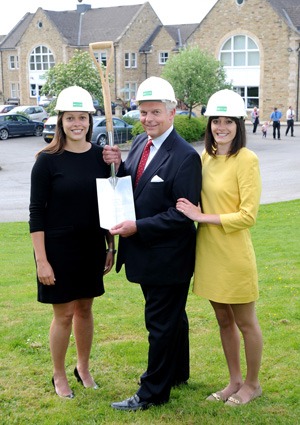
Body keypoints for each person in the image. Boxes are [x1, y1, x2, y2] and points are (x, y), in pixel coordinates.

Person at [103, 76, 202, 411]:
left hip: (168, 258)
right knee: (174, 317)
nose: (148, 119)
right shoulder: (141, 145)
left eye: (155, 112)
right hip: (148, 256)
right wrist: (118, 165)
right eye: (143, 112)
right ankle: (177, 372)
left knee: (159, 324)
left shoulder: (185, 156)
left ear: (172, 113)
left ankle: (152, 393)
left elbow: (182, 215)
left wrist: (137, 227)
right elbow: (136, 186)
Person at [176, 89, 263, 407]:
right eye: (216, 121)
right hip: (208, 253)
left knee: (245, 322)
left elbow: (247, 215)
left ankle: (252, 385)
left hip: (234, 255)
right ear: (210, 123)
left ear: (239, 125)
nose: (221, 127)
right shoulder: (204, 158)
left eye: (229, 121)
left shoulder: (246, 160)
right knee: (223, 320)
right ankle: (234, 381)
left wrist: (202, 216)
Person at [29, 86, 115, 399]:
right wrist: (42, 260)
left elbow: (108, 205)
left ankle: (83, 367)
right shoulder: (47, 161)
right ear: (60, 121)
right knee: (63, 314)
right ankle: (59, 375)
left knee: (85, 310)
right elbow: (36, 213)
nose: (76, 123)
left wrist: (110, 245)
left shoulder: (100, 157)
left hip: (91, 244)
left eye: (82, 117)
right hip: (57, 248)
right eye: (70, 118)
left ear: (90, 121)